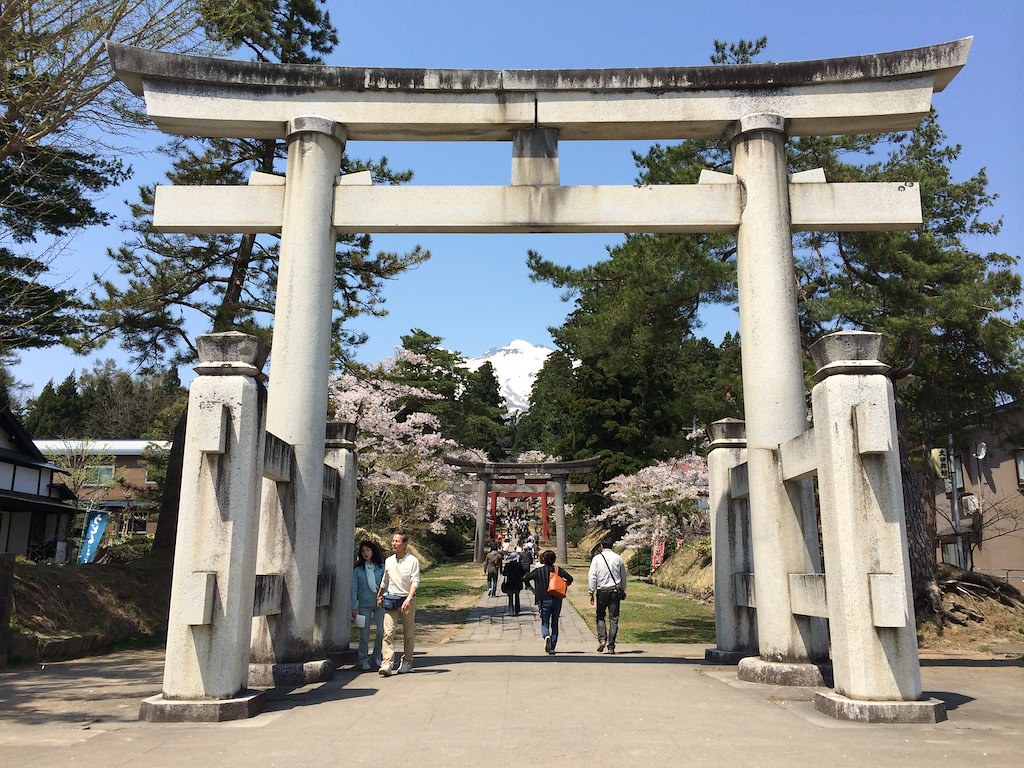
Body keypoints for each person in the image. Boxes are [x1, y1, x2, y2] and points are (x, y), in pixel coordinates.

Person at [376, 531, 421, 677]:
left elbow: (415, 580)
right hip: (391, 599)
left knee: (408, 634)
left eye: (397, 541)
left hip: (407, 599)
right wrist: (380, 594)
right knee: (388, 632)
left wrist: (409, 598)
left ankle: (407, 660)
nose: (394, 544)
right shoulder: (389, 560)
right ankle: (387, 662)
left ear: (405, 544)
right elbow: (385, 579)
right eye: (393, 541)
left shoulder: (412, 561)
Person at [523, 549, 573, 654]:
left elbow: (526, 578)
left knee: (544, 621)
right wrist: (564, 585)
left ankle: (546, 636)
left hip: (543, 599)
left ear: (543, 559)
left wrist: (531, 588)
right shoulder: (557, 570)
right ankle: (553, 647)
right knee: (555, 622)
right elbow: (570, 578)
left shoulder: (538, 571)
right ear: (554, 559)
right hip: (556, 598)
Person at [588, 536, 627, 654]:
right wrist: (623, 590)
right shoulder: (618, 558)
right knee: (614, 618)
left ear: (601, 546)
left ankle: (602, 639)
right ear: (612, 546)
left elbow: (592, 576)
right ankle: (611, 646)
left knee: (600, 615)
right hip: (615, 591)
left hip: (602, 590)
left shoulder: (597, 559)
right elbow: (623, 576)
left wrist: (591, 591)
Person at [351, 539, 386, 671]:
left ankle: (377, 655)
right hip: (363, 605)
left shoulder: (381, 568)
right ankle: (363, 659)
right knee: (364, 634)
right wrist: (354, 607)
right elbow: (353, 589)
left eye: (368, 550)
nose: (365, 553)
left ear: (373, 551)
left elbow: (386, 585)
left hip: (380, 604)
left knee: (381, 631)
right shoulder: (358, 570)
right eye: (363, 551)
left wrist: (384, 598)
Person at [502, 551, 525, 615]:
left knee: (510, 597)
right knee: (517, 596)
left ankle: (511, 610)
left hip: (509, 583)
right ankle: (517, 610)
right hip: (517, 583)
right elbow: (523, 573)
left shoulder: (507, 565)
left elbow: (504, 573)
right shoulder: (519, 565)